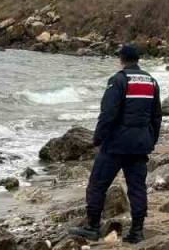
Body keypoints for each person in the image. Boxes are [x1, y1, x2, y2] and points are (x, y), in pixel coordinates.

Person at [69, 45, 162, 244]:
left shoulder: (118, 80)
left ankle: (93, 227)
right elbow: (156, 116)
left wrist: (97, 138)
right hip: (140, 145)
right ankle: (137, 231)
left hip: (116, 145)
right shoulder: (151, 82)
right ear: (138, 59)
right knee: (137, 188)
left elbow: (108, 114)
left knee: (97, 185)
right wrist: (151, 140)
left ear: (121, 59)